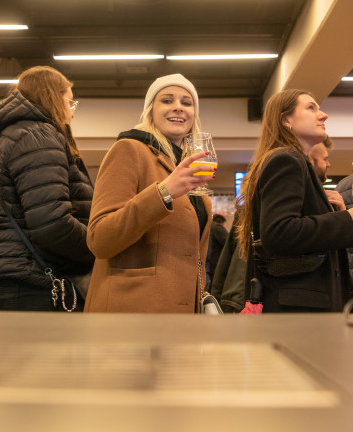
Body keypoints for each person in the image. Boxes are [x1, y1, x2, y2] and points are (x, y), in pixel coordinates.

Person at [84, 73, 214, 313]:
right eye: (167, 100)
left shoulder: (185, 167)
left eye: (187, 102)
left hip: (181, 316)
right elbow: (99, 239)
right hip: (132, 313)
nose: (178, 107)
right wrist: (163, 192)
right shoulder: (129, 149)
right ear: (150, 110)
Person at [0, 66, 94, 311]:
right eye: (70, 102)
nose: (72, 113)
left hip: (8, 277)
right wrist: (98, 247)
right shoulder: (38, 136)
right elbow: (51, 223)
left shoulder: (17, 135)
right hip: (28, 284)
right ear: (53, 98)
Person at [237, 89, 353, 313]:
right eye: (311, 108)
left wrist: (334, 215)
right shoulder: (286, 159)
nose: (323, 115)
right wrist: (346, 219)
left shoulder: (292, 161)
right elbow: (279, 232)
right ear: (286, 120)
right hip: (299, 308)